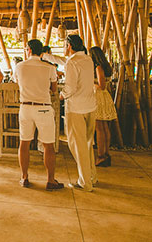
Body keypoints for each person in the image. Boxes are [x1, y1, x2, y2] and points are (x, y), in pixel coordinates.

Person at [43, 35, 97, 191]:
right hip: (90, 107)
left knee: (77, 147)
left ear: (69, 46)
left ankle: (85, 183)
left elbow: (71, 88)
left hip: (76, 109)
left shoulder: (72, 63)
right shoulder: (87, 59)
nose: (63, 48)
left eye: (64, 45)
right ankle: (92, 176)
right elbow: (64, 61)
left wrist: (61, 95)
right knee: (87, 144)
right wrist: (46, 56)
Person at [13, 39, 63, 191]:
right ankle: (50, 180)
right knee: (48, 145)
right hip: (43, 108)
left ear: (28, 50)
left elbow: (18, 83)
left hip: (25, 107)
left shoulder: (19, 66)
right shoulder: (49, 68)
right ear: (41, 52)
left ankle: (24, 177)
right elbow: (54, 89)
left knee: (24, 143)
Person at [89, 46, 117, 166]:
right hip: (105, 96)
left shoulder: (98, 67)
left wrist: (90, 82)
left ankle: (101, 155)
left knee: (99, 128)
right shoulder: (106, 66)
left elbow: (101, 85)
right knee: (105, 128)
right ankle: (106, 154)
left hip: (99, 97)